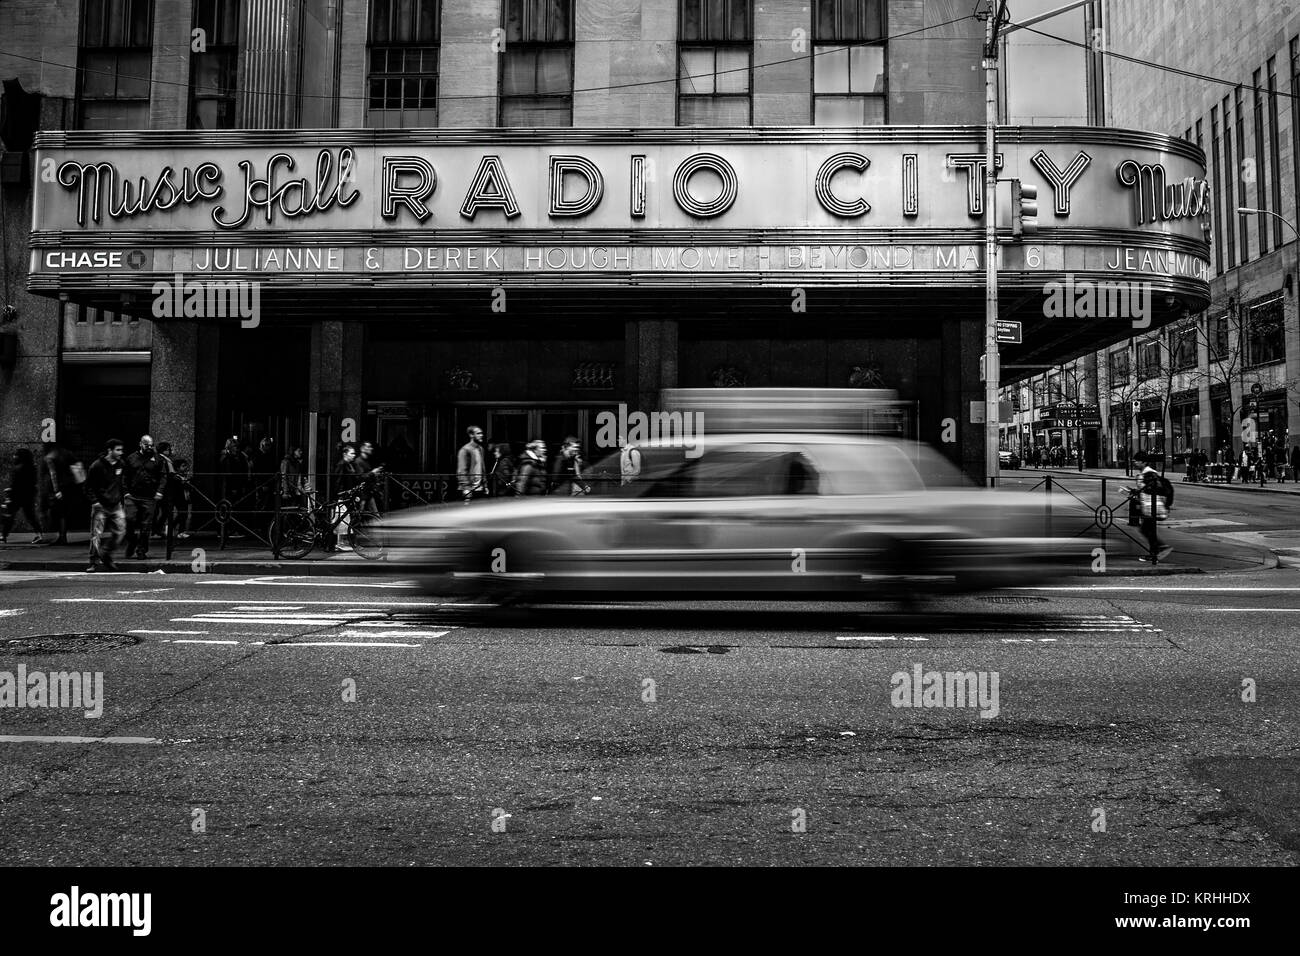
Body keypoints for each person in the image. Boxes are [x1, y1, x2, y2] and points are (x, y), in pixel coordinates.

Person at [122, 434, 168, 560]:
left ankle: (141, 550)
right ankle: (132, 541)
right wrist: (126, 492)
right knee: (129, 520)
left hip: (149, 497)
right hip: (132, 496)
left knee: (146, 525)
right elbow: (125, 476)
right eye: (146, 445)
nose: (149, 447)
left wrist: (160, 491)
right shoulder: (131, 458)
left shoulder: (158, 459)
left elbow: (163, 476)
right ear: (140, 444)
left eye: (151, 445)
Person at [86, 438, 127, 571]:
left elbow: (122, 482)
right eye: (118, 450)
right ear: (110, 450)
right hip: (101, 505)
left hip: (116, 505)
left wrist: (122, 497)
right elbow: (88, 486)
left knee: (120, 531)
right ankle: (93, 562)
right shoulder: (97, 465)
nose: (121, 452)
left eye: (121, 449)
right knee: (96, 534)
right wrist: (95, 501)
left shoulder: (121, 464)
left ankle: (106, 553)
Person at [1, 448, 44, 545]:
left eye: (16, 455)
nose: (14, 457)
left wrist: (9, 494)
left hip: (16, 496)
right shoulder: (32, 468)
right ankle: (39, 535)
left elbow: (14, 484)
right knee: (31, 516)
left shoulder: (17, 469)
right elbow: (33, 483)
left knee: (9, 516)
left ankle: (3, 536)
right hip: (28, 495)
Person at [41, 441, 80, 545]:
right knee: (63, 513)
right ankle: (63, 536)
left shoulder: (50, 457)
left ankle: (62, 537)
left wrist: (56, 490)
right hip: (68, 486)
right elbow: (77, 468)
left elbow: (53, 474)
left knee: (59, 513)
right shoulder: (68, 454)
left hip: (58, 488)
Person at [1134, 466, 1173, 564]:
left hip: (1152, 507)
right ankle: (1155, 553)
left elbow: (1150, 490)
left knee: (1147, 529)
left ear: (1142, 462)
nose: (1134, 463)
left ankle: (1158, 551)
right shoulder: (1145, 473)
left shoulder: (1150, 473)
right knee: (1148, 529)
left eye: (1136, 461)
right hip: (1149, 507)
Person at [331, 443, 366, 551]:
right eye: (351, 453)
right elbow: (338, 480)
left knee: (345, 519)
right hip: (344, 495)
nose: (353, 455)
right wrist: (340, 494)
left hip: (349, 494)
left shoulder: (350, 464)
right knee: (342, 519)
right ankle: (340, 543)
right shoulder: (342, 464)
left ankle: (345, 542)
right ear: (345, 454)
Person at [456, 425, 487, 503]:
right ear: (471, 435)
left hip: (479, 488)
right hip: (469, 488)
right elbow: (461, 470)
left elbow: (482, 468)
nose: (481, 435)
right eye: (478, 433)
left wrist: (485, 485)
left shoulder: (480, 449)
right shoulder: (465, 450)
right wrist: (466, 488)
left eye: (481, 433)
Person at [170, 458, 194, 539]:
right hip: (179, 498)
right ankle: (179, 530)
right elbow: (180, 486)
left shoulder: (184, 476)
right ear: (177, 468)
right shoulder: (176, 477)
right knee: (182, 514)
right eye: (183, 466)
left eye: (186, 466)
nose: (186, 468)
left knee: (183, 514)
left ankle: (176, 529)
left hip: (185, 497)